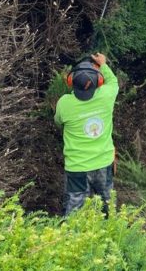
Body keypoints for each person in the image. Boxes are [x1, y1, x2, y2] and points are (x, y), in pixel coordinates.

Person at [54, 52, 119, 216]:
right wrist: (103, 64)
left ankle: (71, 239)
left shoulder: (64, 103)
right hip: (104, 163)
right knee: (108, 206)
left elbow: (58, 122)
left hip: (77, 168)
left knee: (74, 211)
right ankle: (113, 235)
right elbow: (113, 81)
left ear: (70, 81)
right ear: (99, 81)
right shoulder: (106, 96)